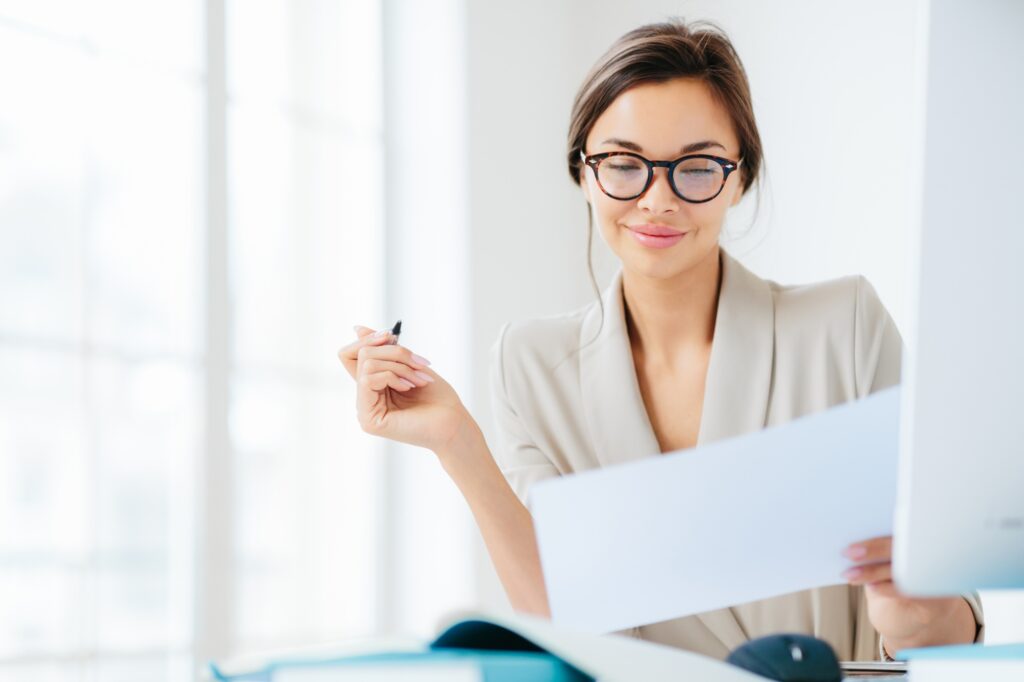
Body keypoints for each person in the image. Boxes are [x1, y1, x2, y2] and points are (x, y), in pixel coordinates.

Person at [338, 18, 982, 662]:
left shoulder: (845, 328)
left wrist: (913, 615)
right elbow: (561, 622)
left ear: (740, 177)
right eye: (623, 164)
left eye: (697, 168)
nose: (657, 199)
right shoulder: (530, 365)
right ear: (583, 173)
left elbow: (947, 628)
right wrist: (457, 443)